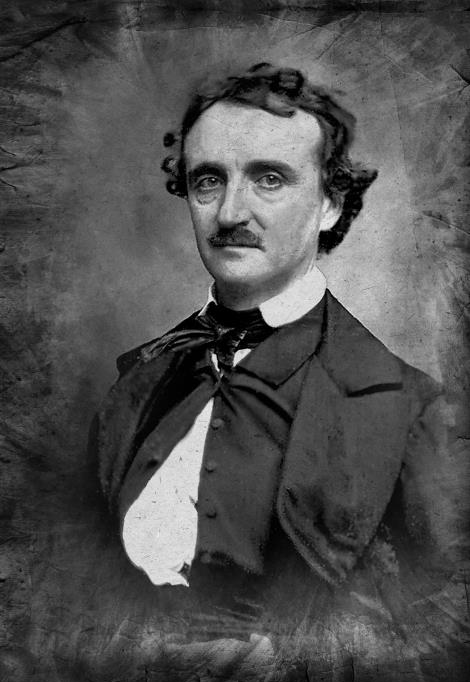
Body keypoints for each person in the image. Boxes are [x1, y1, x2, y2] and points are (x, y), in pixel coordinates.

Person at [89, 63, 465, 650]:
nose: (230, 214)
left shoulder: (409, 408)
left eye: (269, 179)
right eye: (208, 180)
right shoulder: (138, 380)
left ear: (330, 203)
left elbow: (443, 627)